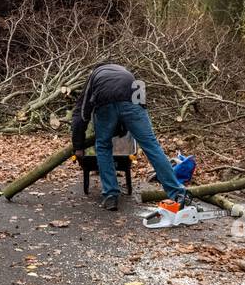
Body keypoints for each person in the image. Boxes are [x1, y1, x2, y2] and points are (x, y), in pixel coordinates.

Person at [70, 61, 187, 211]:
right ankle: (177, 194)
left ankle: (111, 195)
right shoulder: (125, 72)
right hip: (134, 97)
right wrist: (124, 125)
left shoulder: (94, 75)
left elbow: (81, 114)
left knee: (103, 146)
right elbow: (137, 102)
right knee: (151, 145)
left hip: (105, 101)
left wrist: (78, 147)